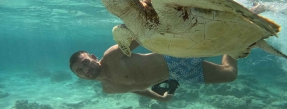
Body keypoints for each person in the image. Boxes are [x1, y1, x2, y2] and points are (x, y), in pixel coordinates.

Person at [69, 41, 237, 101]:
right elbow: (134, 88)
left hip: (174, 56)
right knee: (230, 74)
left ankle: (247, 18)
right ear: (79, 77)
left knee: (219, 41)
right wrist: (159, 98)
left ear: (93, 57)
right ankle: (238, 42)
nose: (86, 70)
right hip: (177, 74)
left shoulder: (112, 56)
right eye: (79, 71)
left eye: (85, 63)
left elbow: (139, 36)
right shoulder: (109, 89)